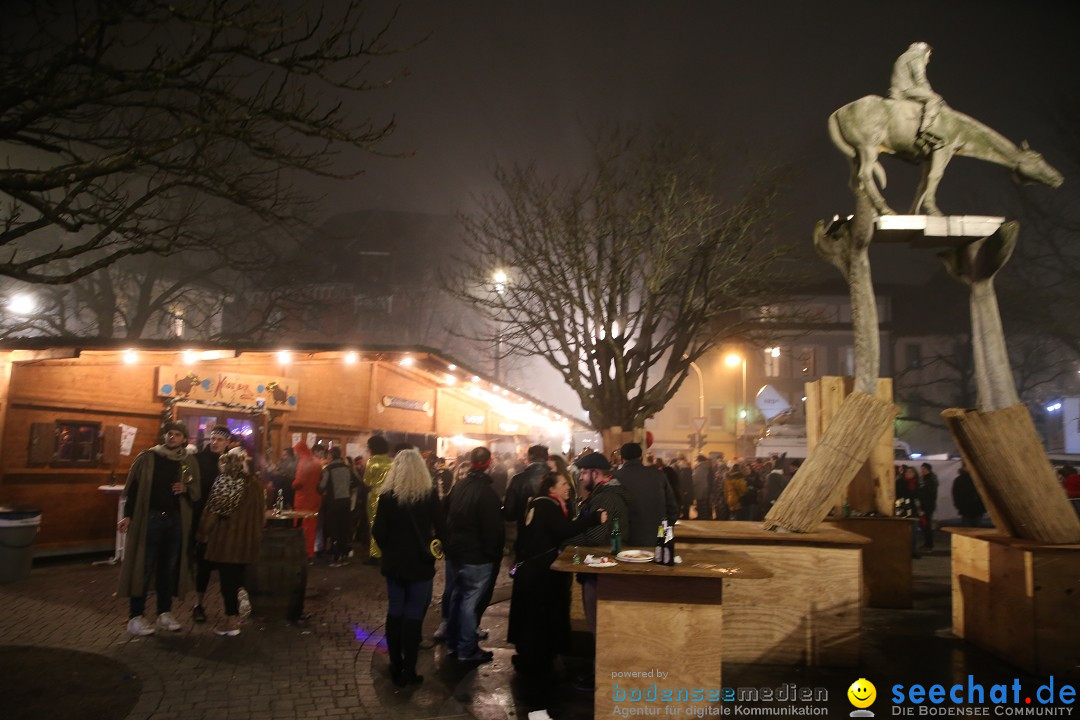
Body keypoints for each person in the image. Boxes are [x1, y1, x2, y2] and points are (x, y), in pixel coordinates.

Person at [507, 471, 604, 675]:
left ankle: (532, 656)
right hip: (539, 572)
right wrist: (594, 518)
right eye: (563, 484)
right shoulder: (547, 506)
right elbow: (563, 531)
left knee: (531, 615)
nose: (567, 487)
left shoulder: (540, 503)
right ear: (552, 488)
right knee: (538, 617)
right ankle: (536, 661)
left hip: (532, 569)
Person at [117, 421, 201, 636]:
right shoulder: (148, 457)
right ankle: (136, 616)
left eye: (177, 435)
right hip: (151, 520)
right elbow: (134, 488)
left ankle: (164, 613)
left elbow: (195, 488)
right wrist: (128, 515)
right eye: (169, 434)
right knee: (143, 567)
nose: (172, 438)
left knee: (168, 569)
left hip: (175, 521)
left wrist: (186, 488)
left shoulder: (187, 461)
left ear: (184, 438)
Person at [371, 448, 446, 686]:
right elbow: (442, 528)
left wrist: (390, 550)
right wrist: (437, 547)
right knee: (414, 616)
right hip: (420, 565)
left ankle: (395, 664)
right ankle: (409, 670)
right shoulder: (428, 494)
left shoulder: (388, 496)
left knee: (395, 612)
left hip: (395, 565)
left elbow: (378, 531)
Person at [564, 451, 629, 691]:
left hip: (600, 569)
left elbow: (595, 536)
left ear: (596, 473)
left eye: (583, 473)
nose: (581, 478)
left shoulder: (606, 499)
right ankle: (599, 672)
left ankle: (600, 676)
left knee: (598, 625)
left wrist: (566, 539)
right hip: (600, 566)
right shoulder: (604, 495)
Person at [444, 446, 504, 663]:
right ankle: (466, 648)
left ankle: (453, 643)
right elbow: (492, 530)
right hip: (476, 557)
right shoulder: (486, 493)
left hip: (457, 553)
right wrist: (493, 554)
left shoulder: (459, 486)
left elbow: (446, 515)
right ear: (489, 464)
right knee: (469, 602)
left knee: (457, 598)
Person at [196, 447, 263, 636]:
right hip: (247, 541)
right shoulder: (255, 484)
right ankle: (241, 595)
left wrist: (202, 533)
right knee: (238, 577)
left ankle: (231, 621)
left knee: (227, 581)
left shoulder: (226, 482)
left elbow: (212, 513)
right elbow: (260, 516)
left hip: (227, 541)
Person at [190, 425, 230, 624]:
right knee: (204, 566)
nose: (214, 442)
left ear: (227, 443)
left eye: (219, 440)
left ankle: (230, 608)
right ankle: (198, 604)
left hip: (224, 523)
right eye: (212, 438)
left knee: (227, 566)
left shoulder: (231, 462)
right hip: (205, 520)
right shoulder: (199, 460)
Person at [613, 442, 678, 546]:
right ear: (641, 457)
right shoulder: (658, 475)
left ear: (621, 458)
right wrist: (665, 531)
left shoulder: (615, 478)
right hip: (658, 539)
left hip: (627, 543)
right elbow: (672, 508)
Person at [889, 41, 943, 149]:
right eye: (929, 55)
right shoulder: (917, 56)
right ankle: (925, 130)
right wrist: (930, 92)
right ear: (926, 52)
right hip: (906, 90)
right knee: (935, 99)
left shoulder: (903, 56)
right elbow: (920, 79)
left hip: (896, 89)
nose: (928, 60)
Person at [503, 444, 550, 559]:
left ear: (529, 458)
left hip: (524, 537)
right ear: (547, 458)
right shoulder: (558, 478)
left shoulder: (518, 479)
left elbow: (509, 513)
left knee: (524, 572)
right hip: (551, 540)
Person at [320, 447, 360, 567]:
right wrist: (347, 488)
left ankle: (335, 558)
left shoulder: (328, 469)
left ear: (331, 457)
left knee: (334, 529)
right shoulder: (347, 468)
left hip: (333, 503)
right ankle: (344, 556)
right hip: (346, 501)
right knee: (344, 528)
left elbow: (322, 486)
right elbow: (357, 482)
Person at [292, 439, 322, 560]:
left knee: (302, 526)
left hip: (303, 498)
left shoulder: (303, 462)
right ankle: (310, 552)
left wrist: (292, 484)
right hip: (315, 497)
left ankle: (302, 551)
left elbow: (299, 482)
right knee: (312, 526)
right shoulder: (316, 461)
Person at [364, 435, 393, 563]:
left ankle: (375, 554)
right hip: (389, 495)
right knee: (388, 524)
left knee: (374, 524)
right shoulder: (391, 461)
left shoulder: (372, 461)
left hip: (374, 497)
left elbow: (367, 481)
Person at [895, 466, 923, 558]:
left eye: (911, 472)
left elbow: (919, 498)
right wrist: (899, 509)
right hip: (903, 509)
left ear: (915, 473)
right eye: (907, 472)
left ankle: (913, 551)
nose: (909, 473)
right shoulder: (900, 482)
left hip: (914, 510)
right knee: (903, 533)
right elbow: (898, 497)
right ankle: (903, 551)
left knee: (914, 533)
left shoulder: (917, 484)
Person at [918, 462, 939, 550]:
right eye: (921, 469)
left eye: (923, 469)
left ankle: (929, 544)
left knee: (927, 525)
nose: (922, 471)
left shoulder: (930, 479)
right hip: (925, 505)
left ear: (928, 469)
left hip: (928, 505)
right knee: (924, 524)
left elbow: (929, 493)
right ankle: (927, 543)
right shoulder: (925, 479)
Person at [692, 455, 714, 520]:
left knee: (701, 503)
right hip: (706, 487)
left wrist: (692, 484)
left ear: (699, 460)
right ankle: (704, 516)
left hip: (701, 488)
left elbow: (696, 479)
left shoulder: (701, 467)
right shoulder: (707, 466)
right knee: (705, 503)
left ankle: (702, 517)